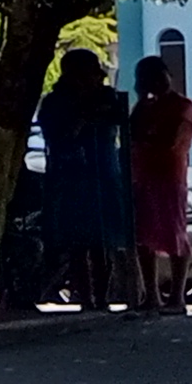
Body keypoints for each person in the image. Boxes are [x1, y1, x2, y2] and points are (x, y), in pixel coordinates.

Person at [38, 48, 131, 311]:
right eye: (91, 74)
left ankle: (102, 297)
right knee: (77, 242)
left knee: (104, 241)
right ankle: (86, 297)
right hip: (72, 179)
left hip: (105, 175)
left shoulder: (107, 97)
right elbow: (56, 137)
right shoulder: (55, 102)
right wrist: (83, 115)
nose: (98, 79)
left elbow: (121, 120)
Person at [125, 54, 192, 315]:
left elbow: (170, 141)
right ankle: (151, 295)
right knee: (143, 236)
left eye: (158, 76)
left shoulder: (182, 105)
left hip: (170, 176)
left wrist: (146, 139)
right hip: (143, 176)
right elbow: (131, 134)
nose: (155, 83)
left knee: (175, 232)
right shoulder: (143, 108)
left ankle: (177, 297)